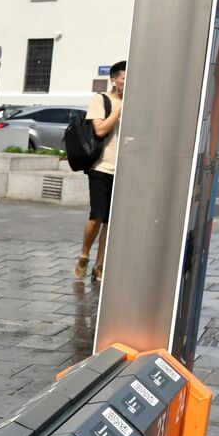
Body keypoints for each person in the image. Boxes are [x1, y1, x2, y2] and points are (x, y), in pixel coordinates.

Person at [77, 60, 126, 281]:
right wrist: (121, 109)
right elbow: (100, 130)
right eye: (124, 79)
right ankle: (84, 254)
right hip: (101, 167)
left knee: (110, 220)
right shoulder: (101, 99)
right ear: (114, 80)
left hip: (124, 170)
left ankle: (100, 264)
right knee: (97, 216)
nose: (127, 84)